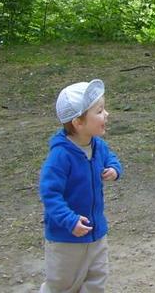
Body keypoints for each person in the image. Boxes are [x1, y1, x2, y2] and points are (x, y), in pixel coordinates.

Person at [39, 79, 122, 293]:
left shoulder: (98, 145)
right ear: (78, 123)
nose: (106, 114)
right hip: (66, 238)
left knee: (97, 278)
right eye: (99, 111)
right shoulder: (60, 156)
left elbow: (111, 158)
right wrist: (69, 220)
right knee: (62, 284)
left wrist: (114, 169)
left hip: (96, 232)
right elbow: (50, 194)